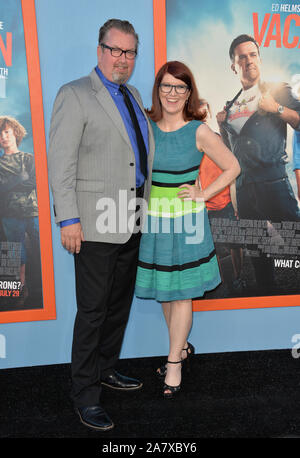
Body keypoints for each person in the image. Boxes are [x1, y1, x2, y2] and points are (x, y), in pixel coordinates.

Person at [48, 19, 154, 431]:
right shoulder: (74, 95)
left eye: (129, 53)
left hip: (131, 219)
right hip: (92, 224)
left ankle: (107, 369)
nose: (122, 59)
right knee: (93, 311)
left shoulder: (133, 94)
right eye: (115, 50)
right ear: (99, 49)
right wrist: (69, 219)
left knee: (118, 306)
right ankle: (85, 394)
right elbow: (62, 164)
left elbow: (136, 157)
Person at [135, 61, 240, 398]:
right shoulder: (146, 126)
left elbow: (233, 166)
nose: (172, 93)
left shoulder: (198, 131)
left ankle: (174, 364)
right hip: (154, 219)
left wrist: (204, 193)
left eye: (180, 87)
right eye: (167, 86)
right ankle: (178, 349)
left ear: (188, 92)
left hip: (187, 220)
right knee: (166, 289)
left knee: (181, 293)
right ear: (158, 89)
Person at [216, 34, 300, 294]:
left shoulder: (277, 90)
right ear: (234, 65)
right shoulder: (230, 107)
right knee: (258, 256)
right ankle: (268, 300)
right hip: (244, 190)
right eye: (242, 56)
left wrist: (277, 109)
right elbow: (230, 156)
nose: (248, 60)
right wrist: (222, 125)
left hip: (273, 182)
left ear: (260, 60)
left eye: (253, 55)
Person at [198, 101, 244, 295]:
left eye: (203, 113)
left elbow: (232, 172)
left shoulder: (218, 140)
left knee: (235, 244)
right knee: (213, 249)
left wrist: (236, 204)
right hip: (206, 207)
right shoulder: (194, 148)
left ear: (208, 114)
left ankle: (238, 277)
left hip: (226, 203)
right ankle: (222, 282)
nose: (201, 117)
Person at [0, 116, 40, 303]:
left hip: (34, 212)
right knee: (13, 255)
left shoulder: (29, 158)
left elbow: (34, 182)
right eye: (0, 134)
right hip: (9, 214)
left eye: (6, 131)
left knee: (43, 250)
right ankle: (15, 295)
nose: (3, 136)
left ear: (15, 133)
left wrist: (12, 183)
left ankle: (42, 290)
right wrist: (19, 179)